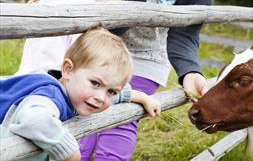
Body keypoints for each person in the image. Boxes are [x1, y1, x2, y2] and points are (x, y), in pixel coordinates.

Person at [19, 0, 230, 160]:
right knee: (84, 119)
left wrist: (190, 72)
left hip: (146, 53)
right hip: (101, 43)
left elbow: (186, 34)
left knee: (120, 121)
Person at [1, 27, 161, 161]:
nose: (101, 97)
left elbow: (112, 93)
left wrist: (141, 97)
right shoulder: (49, 96)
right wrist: (69, 152)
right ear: (68, 69)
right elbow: (35, 121)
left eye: (111, 91)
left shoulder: (77, 90)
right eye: (95, 83)